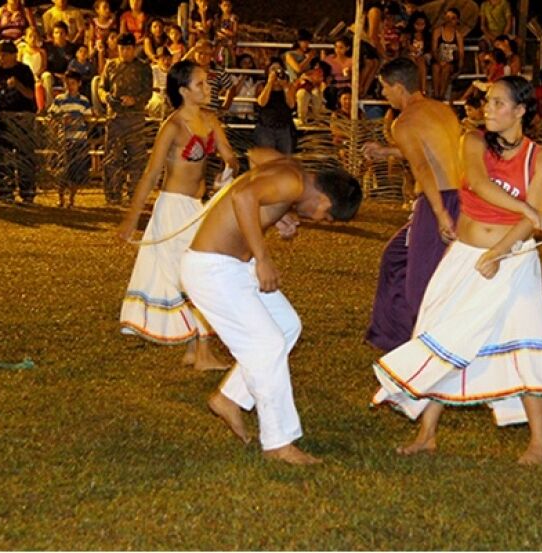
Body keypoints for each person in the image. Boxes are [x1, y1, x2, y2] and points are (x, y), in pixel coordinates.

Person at [372, 75, 542, 466]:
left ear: (520, 111)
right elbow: (479, 185)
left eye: (499, 103)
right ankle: (427, 434)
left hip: (512, 259)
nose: (489, 109)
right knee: (440, 331)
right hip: (464, 255)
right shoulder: (474, 141)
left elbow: (524, 227)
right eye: (488, 101)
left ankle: (540, 442)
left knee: (525, 339)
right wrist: (530, 210)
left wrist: (499, 251)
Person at [178, 148, 363, 465]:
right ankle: (278, 443)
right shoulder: (291, 181)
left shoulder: (292, 173)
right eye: (325, 217)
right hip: (213, 270)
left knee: (286, 326)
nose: (317, 219)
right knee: (267, 344)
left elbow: (255, 156)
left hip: (233, 268)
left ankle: (229, 398)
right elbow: (243, 198)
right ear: (324, 202)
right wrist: (263, 256)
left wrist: (279, 211)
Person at [364, 58, 542, 353]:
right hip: (459, 196)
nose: (383, 94)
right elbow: (432, 150)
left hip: (438, 200)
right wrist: (387, 150)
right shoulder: (441, 109)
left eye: (384, 88)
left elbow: (424, 169)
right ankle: (394, 335)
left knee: (422, 282)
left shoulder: (404, 122)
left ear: (398, 87)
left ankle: (431, 344)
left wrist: (438, 214)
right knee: (394, 256)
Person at [117, 59, 239, 369]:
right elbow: (150, 173)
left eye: (207, 83)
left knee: (198, 274)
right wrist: (132, 221)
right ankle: (202, 353)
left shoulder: (211, 120)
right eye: (201, 84)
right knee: (194, 277)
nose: (208, 88)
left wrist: (227, 170)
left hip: (196, 209)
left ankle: (193, 349)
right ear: (184, 91)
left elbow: (230, 158)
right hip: (172, 209)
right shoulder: (172, 126)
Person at [0, 39, 37, 204]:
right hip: (2, 117)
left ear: (14, 55)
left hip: (22, 117)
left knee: (24, 155)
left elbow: (30, 95)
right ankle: (5, 190)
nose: (1, 57)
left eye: (5, 54)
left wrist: (17, 85)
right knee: (1, 156)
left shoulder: (23, 71)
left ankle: (27, 192)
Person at [97, 32, 152, 204]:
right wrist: (106, 97)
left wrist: (135, 100)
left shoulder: (143, 67)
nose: (125, 52)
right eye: (122, 48)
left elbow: (149, 92)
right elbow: (101, 87)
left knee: (137, 159)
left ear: (134, 49)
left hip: (135, 119)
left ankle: (135, 195)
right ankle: (113, 194)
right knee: (113, 158)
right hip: (114, 118)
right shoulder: (110, 66)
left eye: (128, 48)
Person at [48, 70, 92, 208]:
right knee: (62, 169)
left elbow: (88, 117)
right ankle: (61, 197)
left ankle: (72, 199)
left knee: (75, 170)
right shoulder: (60, 99)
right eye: (67, 83)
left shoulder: (84, 101)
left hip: (78, 139)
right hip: (64, 139)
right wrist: (62, 120)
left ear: (79, 84)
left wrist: (78, 119)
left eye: (72, 83)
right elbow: (51, 115)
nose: (70, 86)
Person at [253, 58, 298, 154]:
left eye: (279, 69)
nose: (276, 72)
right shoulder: (262, 85)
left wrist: (285, 87)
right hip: (266, 127)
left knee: (284, 161)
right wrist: (270, 83)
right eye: (273, 69)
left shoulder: (289, 86)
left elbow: (291, 105)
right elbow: (261, 103)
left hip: (284, 128)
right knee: (268, 160)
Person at [430, 8, 463, 101]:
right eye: (447, 17)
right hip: (438, 60)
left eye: (452, 18)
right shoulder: (438, 31)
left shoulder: (458, 35)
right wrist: (439, 61)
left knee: (447, 68)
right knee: (436, 67)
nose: (449, 20)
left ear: (457, 20)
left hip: (451, 63)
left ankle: (441, 95)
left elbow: (461, 53)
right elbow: (433, 49)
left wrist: (459, 68)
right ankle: (436, 95)